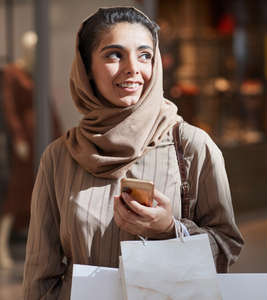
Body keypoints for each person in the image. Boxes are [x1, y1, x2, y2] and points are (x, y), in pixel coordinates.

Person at [23, 7, 243, 299]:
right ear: (86, 67)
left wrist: (169, 229)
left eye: (145, 55)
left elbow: (227, 247)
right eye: (114, 54)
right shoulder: (59, 157)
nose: (133, 68)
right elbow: (40, 276)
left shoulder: (191, 145)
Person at [0, 31, 60, 269]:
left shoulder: (38, 74)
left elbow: (49, 105)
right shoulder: (12, 74)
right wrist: (18, 138)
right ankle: (2, 247)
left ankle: (43, 250)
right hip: (25, 145)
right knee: (16, 196)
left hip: (42, 140)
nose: (35, 54)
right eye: (32, 49)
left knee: (42, 193)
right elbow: (9, 108)